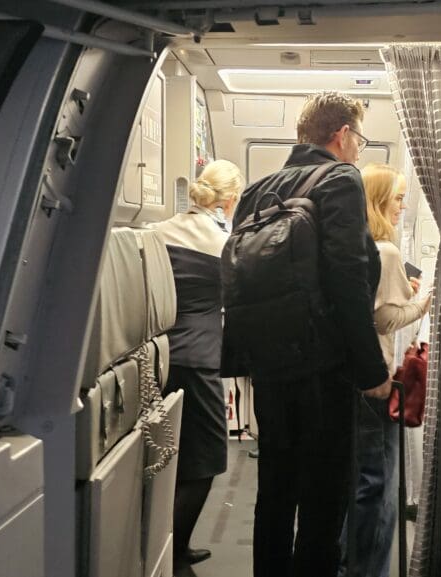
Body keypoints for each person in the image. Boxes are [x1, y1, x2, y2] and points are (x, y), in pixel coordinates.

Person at [227, 92, 392, 577]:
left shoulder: (257, 189)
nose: (359, 149)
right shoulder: (340, 178)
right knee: (323, 498)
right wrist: (371, 371)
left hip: (271, 365)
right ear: (341, 135)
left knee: (275, 490)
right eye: (359, 138)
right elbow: (348, 274)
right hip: (324, 368)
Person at [151, 159, 245, 571]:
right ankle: (175, 556)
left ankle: (171, 546)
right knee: (206, 460)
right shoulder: (223, 242)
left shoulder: (158, 232)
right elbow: (238, 298)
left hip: (161, 355)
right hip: (203, 357)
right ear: (230, 200)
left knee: (168, 456)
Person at [341, 163, 432, 577]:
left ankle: (346, 562)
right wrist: (424, 300)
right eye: (397, 197)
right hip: (377, 381)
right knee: (380, 488)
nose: (402, 205)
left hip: (348, 380)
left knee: (355, 482)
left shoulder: (353, 246)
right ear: (379, 200)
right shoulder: (387, 251)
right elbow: (386, 319)